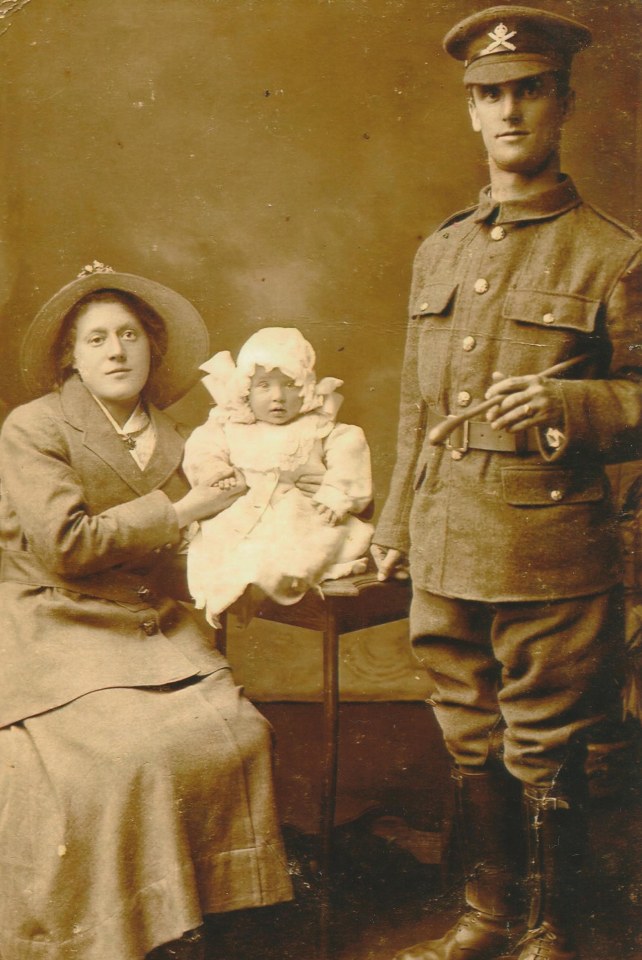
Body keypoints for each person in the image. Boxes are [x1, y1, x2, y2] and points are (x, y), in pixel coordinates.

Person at [371, 7, 642, 960]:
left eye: (529, 89)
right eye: (490, 94)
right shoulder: (440, 249)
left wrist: (573, 408)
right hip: (448, 542)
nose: (509, 110)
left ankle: (550, 926)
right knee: (468, 736)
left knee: (544, 745)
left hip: (549, 550)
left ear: (562, 102)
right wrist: (398, 520)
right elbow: (414, 404)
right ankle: (487, 915)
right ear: (471, 113)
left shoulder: (613, 254)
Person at [0, 262, 293, 960]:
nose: (115, 352)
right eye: (96, 339)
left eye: (129, 335)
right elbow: (66, 547)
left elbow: (217, 536)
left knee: (241, 736)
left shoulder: (185, 436)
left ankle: (191, 912)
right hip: (56, 620)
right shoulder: (34, 427)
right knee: (121, 759)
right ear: (69, 357)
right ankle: (120, 928)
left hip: (152, 624)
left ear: (152, 350)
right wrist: (182, 509)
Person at [182, 326, 373, 624]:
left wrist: (336, 491)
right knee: (221, 543)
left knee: (308, 542)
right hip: (244, 511)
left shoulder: (319, 426)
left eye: (289, 385)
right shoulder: (231, 424)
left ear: (306, 387)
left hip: (300, 512)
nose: (278, 397)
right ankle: (238, 590)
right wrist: (215, 470)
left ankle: (274, 581)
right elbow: (202, 449)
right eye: (264, 385)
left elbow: (349, 455)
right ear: (245, 389)